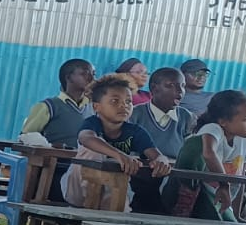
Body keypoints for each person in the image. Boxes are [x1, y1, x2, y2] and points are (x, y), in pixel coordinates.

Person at [61, 74, 172, 208]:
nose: (123, 106)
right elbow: (87, 138)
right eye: (115, 101)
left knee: (122, 176)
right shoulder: (92, 124)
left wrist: (162, 161)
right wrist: (119, 155)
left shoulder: (135, 131)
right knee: (92, 151)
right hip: (78, 190)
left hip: (113, 193)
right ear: (96, 107)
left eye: (128, 101)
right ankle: (90, 202)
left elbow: (155, 154)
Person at [163, 89, 246, 222]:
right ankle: (181, 210)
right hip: (199, 194)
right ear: (223, 121)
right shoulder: (213, 128)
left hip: (221, 199)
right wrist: (224, 185)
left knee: (231, 224)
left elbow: (240, 178)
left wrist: (236, 215)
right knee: (195, 144)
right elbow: (209, 153)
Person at [128, 68, 192, 213]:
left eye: (182, 86)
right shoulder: (135, 114)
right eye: (170, 85)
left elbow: (188, 152)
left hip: (173, 178)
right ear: (154, 88)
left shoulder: (186, 117)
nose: (180, 91)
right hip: (140, 177)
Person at [19, 59, 94, 148]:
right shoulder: (48, 107)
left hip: (86, 157)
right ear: (68, 77)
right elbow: (25, 138)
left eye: (93, 74)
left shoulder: (94, 107)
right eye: (85, 74)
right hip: (55, 157)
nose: (91, 78)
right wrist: (50, 146)